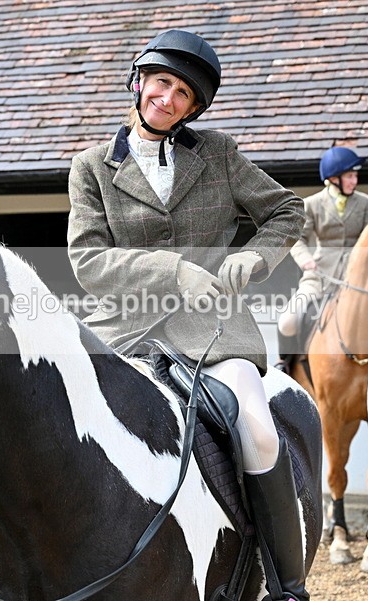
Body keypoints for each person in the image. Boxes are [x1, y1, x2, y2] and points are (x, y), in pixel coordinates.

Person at [67, 29, 309, 601]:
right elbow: (86, 260)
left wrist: (253, 257)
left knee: (258, 430)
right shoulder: (92, 166)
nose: (169, 98)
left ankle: (285, 584)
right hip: (122, 331)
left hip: (215, 332)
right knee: (46, 409)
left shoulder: (219, 154)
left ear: (193, 108)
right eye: (162, 83)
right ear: (140, 82)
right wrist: (173, 271)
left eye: (184, 93)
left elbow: (287, 210)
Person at [275, 146, 368, 372]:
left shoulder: (365, 202)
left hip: (356, 278)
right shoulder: (312, 204)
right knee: (288, 321)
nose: (354, 180)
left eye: (355, 176)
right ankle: (285, 365)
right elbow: (297, 239)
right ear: (333, 178)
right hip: (319, 276)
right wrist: (306, 260)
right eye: (350, 176)